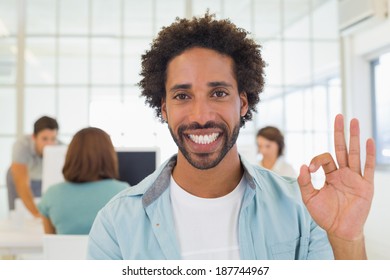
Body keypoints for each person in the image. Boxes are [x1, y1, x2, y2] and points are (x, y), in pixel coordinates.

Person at [87, 13, 376, 260]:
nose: (201, 116)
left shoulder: (302, 208)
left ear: (244, 102)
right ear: (164, 108)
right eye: (182, 95)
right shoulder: (116, 225)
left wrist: (348, 241)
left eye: (219, 93)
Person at [37, 127, 129, 234]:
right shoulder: (123, 193)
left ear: (71, 155)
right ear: (109, 156)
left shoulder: (51, 194)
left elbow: (51, 244)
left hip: (66, 251)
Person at [7, 116, 59, 218]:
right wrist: (37, 214)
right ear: (34, 137)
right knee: (17, 210)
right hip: (19, 175)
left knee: (42, 208)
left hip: (40, 177)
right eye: (44, 139)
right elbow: (22, 184)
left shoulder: (60, 148)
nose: (49, 144)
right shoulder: (21, 146)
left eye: (53, 139)